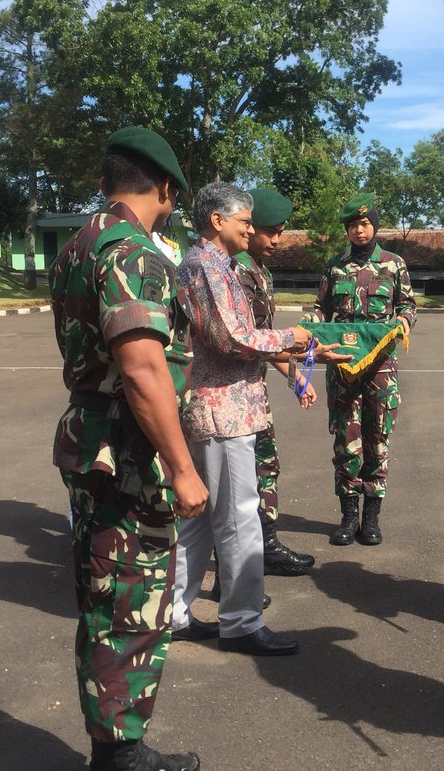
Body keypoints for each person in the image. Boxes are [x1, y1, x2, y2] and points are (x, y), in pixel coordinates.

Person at [50, 127, 206, 771]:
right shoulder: (133, 252)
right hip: (130, 455)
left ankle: (114, 746)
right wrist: (183, 467)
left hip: (94, 443)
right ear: (165, 188)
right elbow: (143, 369)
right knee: (133, 602)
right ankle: (121, 754)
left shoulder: (78, 245)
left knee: (104, 595)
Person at [170, 182, 339, 658]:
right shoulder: (206, 267)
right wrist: (297, 335)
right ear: (217, 221)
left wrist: (306, 351)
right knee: (238, 517)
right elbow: (235, 338)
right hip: (224, 410)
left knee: (202, 519)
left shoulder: (217, 265)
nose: (250, 226)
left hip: (226, 406)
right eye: (245, 220)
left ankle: (178, 614)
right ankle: (241, 622)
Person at [303, 194, 416, 547]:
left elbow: (409, 305)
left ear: (375, 226)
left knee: (377, 439)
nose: (359, 230)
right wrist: (312, 319)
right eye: (353, 225)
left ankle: (372, 518)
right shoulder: (335, 266)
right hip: (341, 365)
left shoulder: (394, 264)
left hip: (380, 366)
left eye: (364, 224)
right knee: (346, 442)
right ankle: (348, 516)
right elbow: (322, 306)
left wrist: (402, 320)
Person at [235, 187, 318, 576]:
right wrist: (296, 362)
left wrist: (297, 377)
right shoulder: (233, 272)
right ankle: (235, 563)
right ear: (249, 228)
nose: (278, 240)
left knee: (265, 464)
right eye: (271, 232)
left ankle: (264, 544)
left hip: (255, 391)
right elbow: (249, 340)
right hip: (230, 394)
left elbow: (266, 340)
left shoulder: (260, 272)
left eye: (281, 231)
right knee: (237, 480)